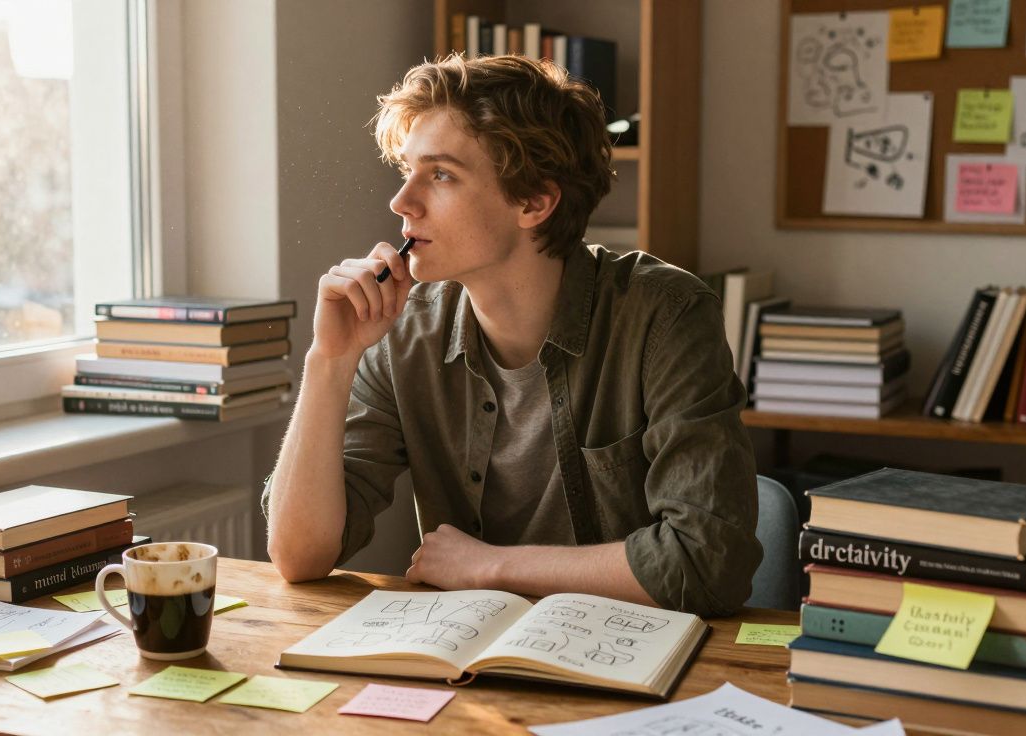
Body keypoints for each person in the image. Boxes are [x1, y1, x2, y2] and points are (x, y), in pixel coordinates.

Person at [262, 53, 761, 617]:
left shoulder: (663, 315)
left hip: (635, 660)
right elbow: (299, 556)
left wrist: (490, 566)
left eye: (441, 174)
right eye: (407, 170)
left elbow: (707, 562)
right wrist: (329, 359)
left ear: (534, 201)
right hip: (471, 663)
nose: (401, 202)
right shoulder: (403, 333)